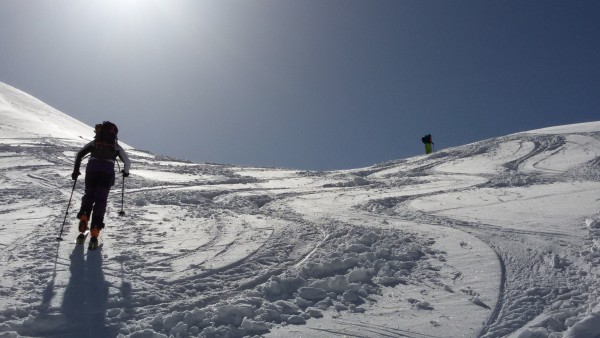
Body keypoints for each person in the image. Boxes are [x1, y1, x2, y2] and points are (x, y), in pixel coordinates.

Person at [71, 121, 130, 249]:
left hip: (92, 170)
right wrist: (125, 173)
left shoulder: (95, 142)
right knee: (101, 200)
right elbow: (127, 162)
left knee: (89, 194)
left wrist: (76, 171)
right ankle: (95, 228)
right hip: (107, 172)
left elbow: (79, 155)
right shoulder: (115, 146)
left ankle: (84, 215)